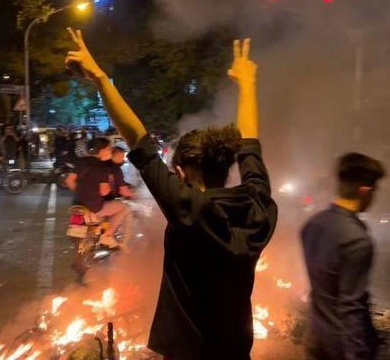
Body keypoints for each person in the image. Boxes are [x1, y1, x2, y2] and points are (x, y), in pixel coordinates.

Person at [65, 29, 277, 359]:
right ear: (228, 164)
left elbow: (139, 141)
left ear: (180, 172)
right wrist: (248, 84)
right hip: (236, 352)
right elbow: (250, 145)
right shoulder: (258, 206)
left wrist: (101, 79)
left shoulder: (189, 209)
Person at [301, 153, 385, 360]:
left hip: (316, 341)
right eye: (375, 191)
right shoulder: (357, 240)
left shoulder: (312, 225)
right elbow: (351, 309)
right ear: (364, 191)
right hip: (341, 349)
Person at [65, 137, 131, 250]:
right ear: (102, 151)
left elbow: (69, 181)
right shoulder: (102, 166)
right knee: (124, 207)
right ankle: (107, 236)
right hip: (94, 206)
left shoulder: (81, 162)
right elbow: (104, 191)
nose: (111, 151)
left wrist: (82, 192)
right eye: (109, 148)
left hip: (77, 203)